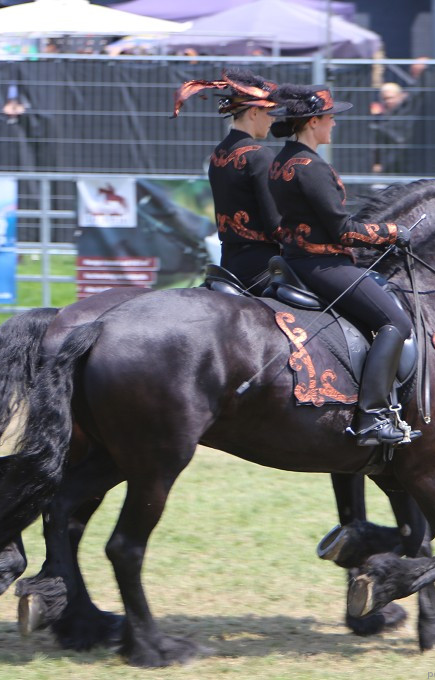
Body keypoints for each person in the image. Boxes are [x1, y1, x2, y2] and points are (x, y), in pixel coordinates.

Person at [266, 83, 419, 447]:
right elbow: (343, 230)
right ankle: (372, 416)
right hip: (322, 265)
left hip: (294, 260)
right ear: (313, 122)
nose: (334, 124)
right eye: (330, 118)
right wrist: (392, 231)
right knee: (395, 321)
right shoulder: (311, 167)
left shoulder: (281, 161)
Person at [173, 69, 283, 291]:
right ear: (253, 112)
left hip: (229, 264)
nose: (272, 120)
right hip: (264, 269)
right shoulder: (259, 155)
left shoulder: (218, 154)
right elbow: (276, 227)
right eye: (269, 113)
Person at [369, 82, 414, 174]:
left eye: (391, 98)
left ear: (401, 96)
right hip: (386, 166)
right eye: (384, 99)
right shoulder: (379, 119)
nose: (387, 102)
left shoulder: (408, 115)